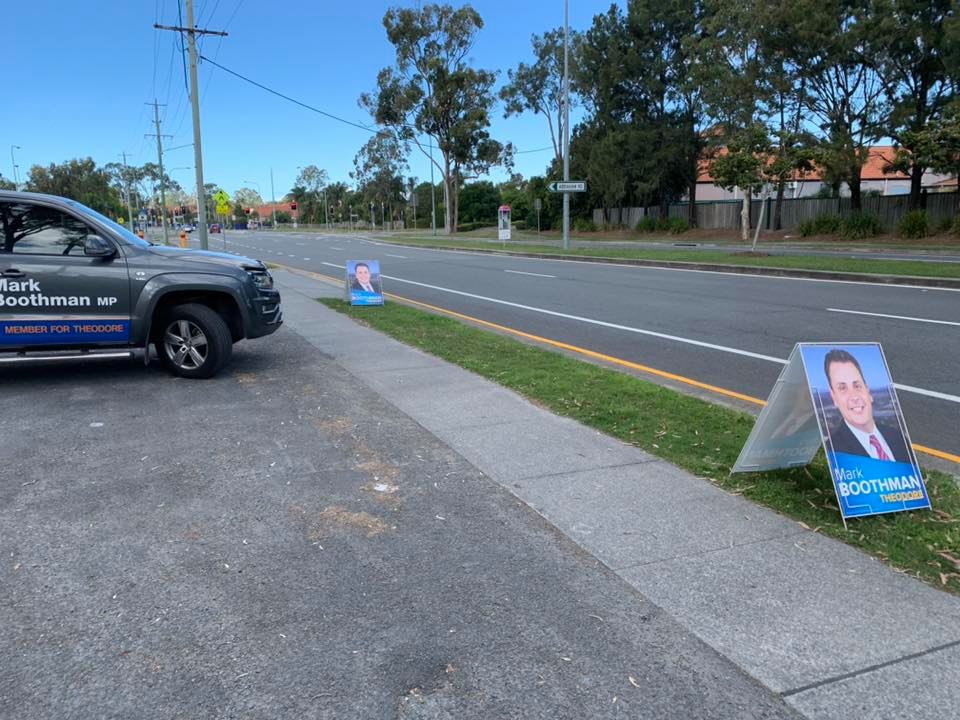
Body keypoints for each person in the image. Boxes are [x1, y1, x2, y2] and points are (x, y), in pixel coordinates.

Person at [822, 348, 911, 463]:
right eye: (842, 388)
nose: (854, 396)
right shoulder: (835, 451)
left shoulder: (898, 437)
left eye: (857, 386)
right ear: (834, 397)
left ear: (868, 391)